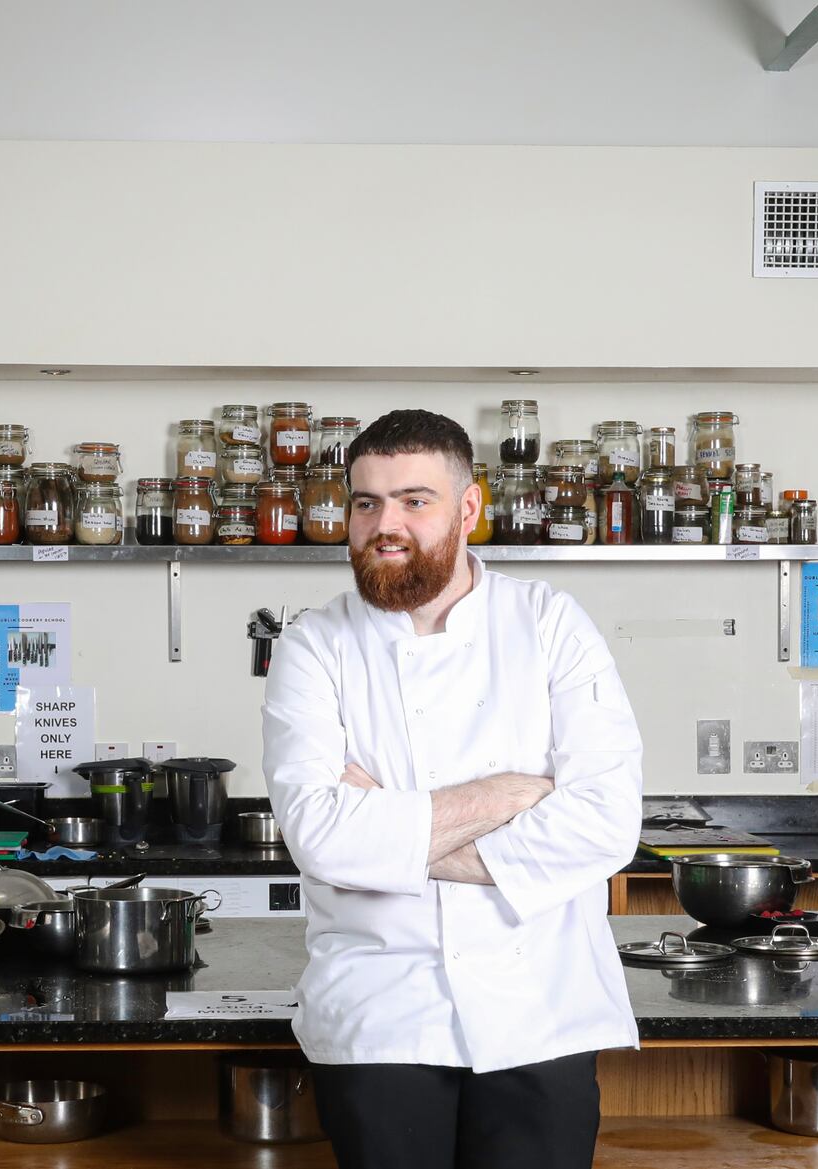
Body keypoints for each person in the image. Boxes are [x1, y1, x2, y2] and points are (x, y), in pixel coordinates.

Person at [262, 409, 643, 1169]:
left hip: (542, 1010)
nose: (384, 523)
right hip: (380, 1017)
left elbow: (605, 824)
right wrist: (509, 793)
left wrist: (390, 830)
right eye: (366, 502)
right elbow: (320, 836)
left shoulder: (550, 623)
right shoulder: (312, 646)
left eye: (414, 499)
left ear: (468, 509)